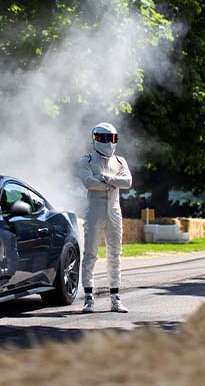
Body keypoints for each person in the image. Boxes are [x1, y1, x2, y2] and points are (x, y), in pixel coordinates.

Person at [78, 122, 132, 313]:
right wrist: (113, 182)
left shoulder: (119, 161)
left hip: (114, 210)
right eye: (106, 138)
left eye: (113, 139)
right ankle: (89, 297)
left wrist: (105, 179)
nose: (109, 143)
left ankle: (115, 297)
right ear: (96, 139)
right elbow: (88, 183)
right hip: (94, 210)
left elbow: (128, 181)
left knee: (115, 254)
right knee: (90, 253)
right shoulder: (87, 160)